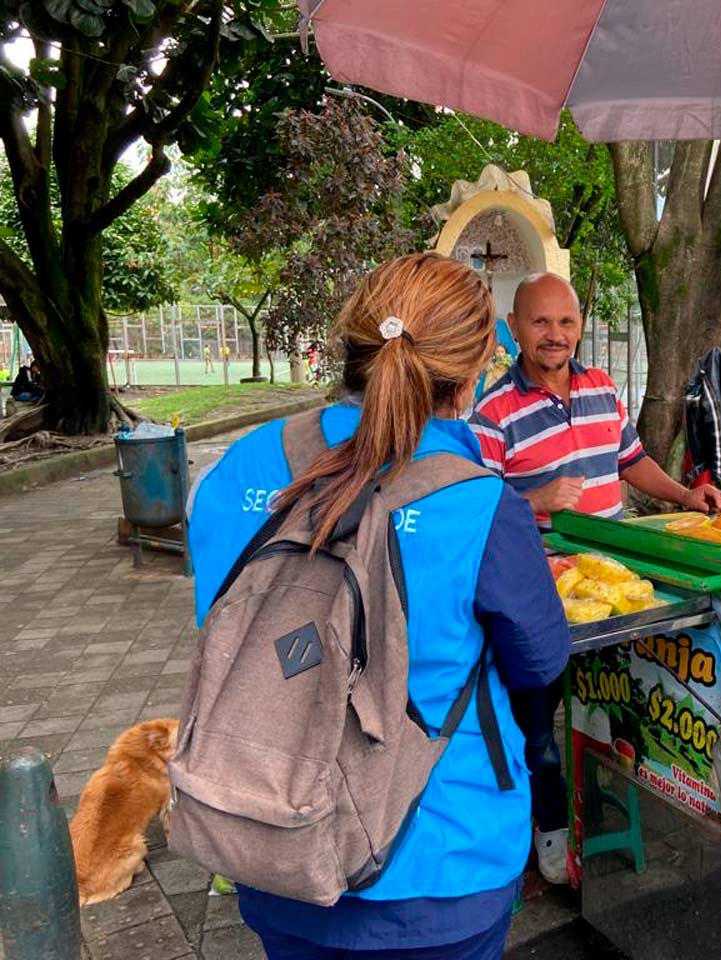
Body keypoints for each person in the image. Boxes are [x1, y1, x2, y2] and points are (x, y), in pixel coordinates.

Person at [187, 253, 570, 960]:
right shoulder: (480, 504)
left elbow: (223, 620)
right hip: (442, 859)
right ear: (471, 376)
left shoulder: (238, 466)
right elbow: (540, 662)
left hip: (272, 832)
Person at [469, 271, 721, 885]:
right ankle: (552, 831)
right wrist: (535, 494)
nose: (554, 335)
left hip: (616, 585)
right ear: (514, 329)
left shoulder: (603, 391)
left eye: (565, 322)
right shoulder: (492, 412)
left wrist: (684, 496)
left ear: (580, 326)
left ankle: (624, 810)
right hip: (541, 593)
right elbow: (475, 501)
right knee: (539, 720)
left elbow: (631, 462)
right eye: (540, 322)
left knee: (618, 708)